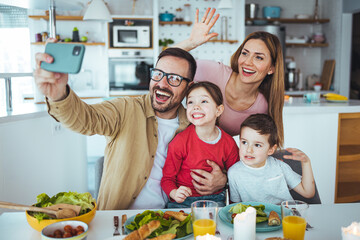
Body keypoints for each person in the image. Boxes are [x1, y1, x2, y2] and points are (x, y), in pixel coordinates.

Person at [33, 44, 227, 210]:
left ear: (188, 86)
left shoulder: (195, 124)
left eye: (174, 79)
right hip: (116, 218)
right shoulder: (125, 109)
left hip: (170, 218)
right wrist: (59, 95)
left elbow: (227, 154)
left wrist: (223, 180)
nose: (162, 84)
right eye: (158, 74)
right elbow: (85, 119)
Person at [175, 8, 285, 147]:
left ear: (271, 68)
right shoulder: (213, 71)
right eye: (245, 53)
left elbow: (256, 147)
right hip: (182, 148)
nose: (247, 62)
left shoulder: (262, 107)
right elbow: (167, 64)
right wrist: (191, 42)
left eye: (258, 57)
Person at [161, 82, 239, 208]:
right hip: (184, 201)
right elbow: (167, 179)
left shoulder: (228, 143)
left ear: (218, 110)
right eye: (190, 102)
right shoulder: (180, 142)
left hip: (216, 199)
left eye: (204, 101)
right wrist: (174, 193)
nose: (196, 106)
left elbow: (236, 177)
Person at [228, 114, 315, 204]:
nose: (249, 150)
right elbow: (235, 208)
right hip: (253, 217)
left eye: (257, 145)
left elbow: (308, 193)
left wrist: (306, 163)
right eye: (244, 142)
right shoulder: (233, 173)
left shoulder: (280, 167)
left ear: (271, 150)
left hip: (282, 215)